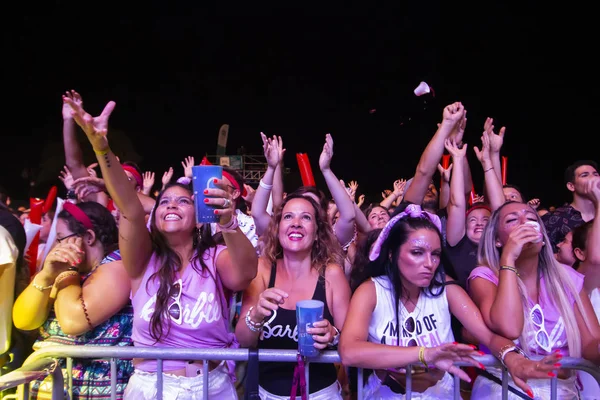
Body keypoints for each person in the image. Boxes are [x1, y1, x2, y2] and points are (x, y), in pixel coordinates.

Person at [64, 94, 258, 399]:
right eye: (165, 201)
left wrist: (229, 222)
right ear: (153, 217)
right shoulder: (142, 261)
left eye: (183, 201)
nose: (171, 205)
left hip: (212, 386)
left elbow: (245, 274)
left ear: (198, 219)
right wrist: (101, 146)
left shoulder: (215, 256)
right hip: (152, 388)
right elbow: (128, 204)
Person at [339, 203, 559, 399]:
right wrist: (426, 354)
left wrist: (513, 358)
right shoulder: (371, 290)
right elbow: (349, 351)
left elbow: (489, 336)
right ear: (392, 254)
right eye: (417, 252)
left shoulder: (446, 287)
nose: (429, 263)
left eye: (435, 254)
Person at [468, 201, 600, 399]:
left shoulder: (567, 278)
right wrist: (508, 259)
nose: (525, 223)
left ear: (543, 238)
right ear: (497, 240)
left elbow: (591, 344)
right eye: (513, 220)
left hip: (562, 392)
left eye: (531, 219)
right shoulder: (485, 277)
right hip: (505, 391)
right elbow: (509, 328)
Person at [12, 201, 133, 399]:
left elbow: (72, 322)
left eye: (61, 239)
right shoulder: (64, 274)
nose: (56, 246)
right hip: (51, 388)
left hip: (92, 389)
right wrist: (45, 275)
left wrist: (67, 271)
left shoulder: (117, 266)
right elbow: (24, 321)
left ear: (89, 237)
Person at [236, 193, 350, 399]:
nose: (296, 223)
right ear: (277, 228)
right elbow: (243, 339)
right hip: (267, 394)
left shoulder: (332, 273)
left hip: (321, 394)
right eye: (288, 217)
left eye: (305, 217)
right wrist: (255, 316)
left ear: (317, 233)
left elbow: (350, 341)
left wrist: (333, 334)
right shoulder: (262, 269)